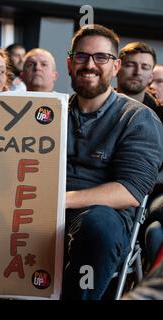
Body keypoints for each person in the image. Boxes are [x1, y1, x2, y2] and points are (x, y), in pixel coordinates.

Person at [64, 24, 163, 300]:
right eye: (82, 56)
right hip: (37, 211)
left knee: (100, 223)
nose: (90, 65)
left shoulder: (138, 119)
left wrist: (60, 199)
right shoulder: (51, 112)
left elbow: (130, 191)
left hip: (100, 217)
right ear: (70, 63)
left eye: (101, 57)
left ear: (116, 66)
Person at [117, 42, 160, 110]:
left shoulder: (159, 115)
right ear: (116, 69)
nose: (137, 72)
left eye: (145, 67)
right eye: (130, 65)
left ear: (151, 77)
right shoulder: (97, 105)